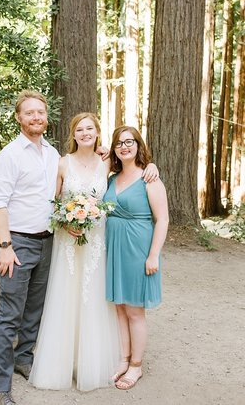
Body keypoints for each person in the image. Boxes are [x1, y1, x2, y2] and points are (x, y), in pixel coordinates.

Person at [28, 113, 121, 391]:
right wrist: (66, 222)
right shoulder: (63, 163)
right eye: (79, 129)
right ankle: (61, 361)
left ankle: (90, 363)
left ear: (97, 132)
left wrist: (150, 167)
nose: (84, 133)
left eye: (89, 128)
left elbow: (134, 164)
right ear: (73, 134)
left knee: (92, 295)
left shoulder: (107, 162)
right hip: (68, 241)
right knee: (66, 296)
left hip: (96, 240)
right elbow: (53, 203)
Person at [0, 91, 58, 405]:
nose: (36, 117)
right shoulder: (9, 155)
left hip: (48, 241)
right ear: (18, 117)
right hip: (17, 243)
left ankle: (23, 358)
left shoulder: (54, 154)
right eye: (29, 113)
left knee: (35, 309)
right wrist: (5, 246)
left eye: (40, 112)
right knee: (9, 314)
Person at [103, 126, 168, 391]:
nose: (124, 146)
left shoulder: (149, 179)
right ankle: (123, 359)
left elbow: (162, 219)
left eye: (129, 142)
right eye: (119, 143)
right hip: (114, 247)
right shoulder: (110, 178)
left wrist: (153, 255)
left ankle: (136, 366)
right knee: (119, 307)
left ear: (138, 145)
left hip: (137, 248)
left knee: (134, 310)